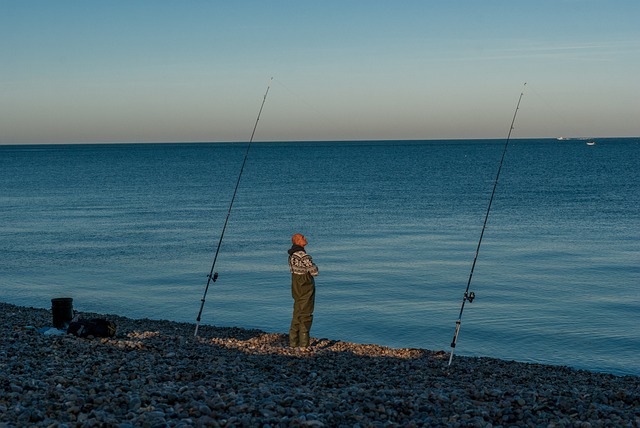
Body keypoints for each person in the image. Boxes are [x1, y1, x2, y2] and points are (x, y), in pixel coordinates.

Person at [287, 233, 319, 348]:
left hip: (295, 284)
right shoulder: (303, 255)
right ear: (298, 241)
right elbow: (314, 271)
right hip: (305, 284)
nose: (305, 239)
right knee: (306, 312)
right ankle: (304, 344)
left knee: (297, 311)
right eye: (302, 238)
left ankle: (293, 342)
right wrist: (314, 267)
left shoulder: (291, 255)